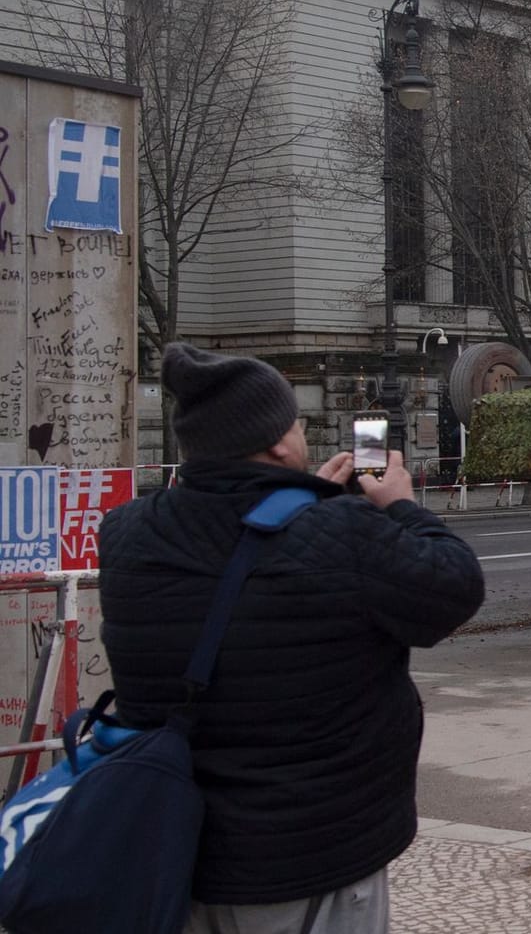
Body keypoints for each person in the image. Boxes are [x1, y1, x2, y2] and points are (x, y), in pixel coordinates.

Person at [98, 344, 486, 934]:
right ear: (280, 443)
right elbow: (454, 588)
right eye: (296, 423)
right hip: (308, 854)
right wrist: (398, 503)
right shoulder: (342, 531)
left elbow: (247, 557)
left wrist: (312, 502)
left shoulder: (126, 532)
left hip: (173, 845)